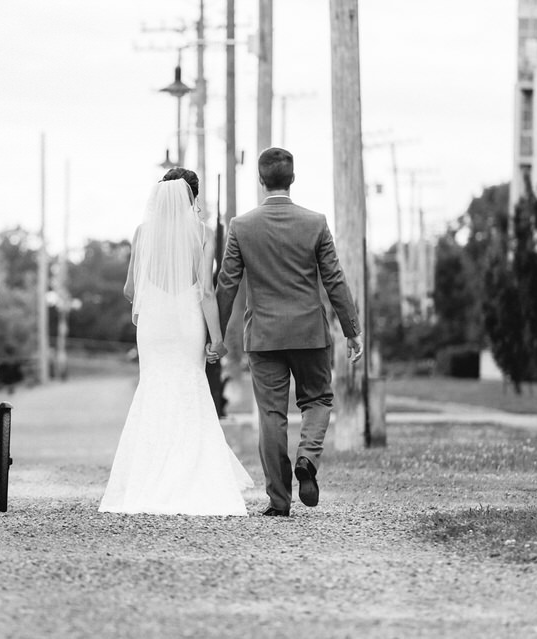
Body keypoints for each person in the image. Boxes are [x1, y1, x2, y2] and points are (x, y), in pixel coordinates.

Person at [216, 147, 363, 517]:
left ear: (261, 180)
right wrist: (352, 329)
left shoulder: (241, 226)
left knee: (271, 415)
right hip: (310, 332)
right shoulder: (315, 223)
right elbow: (334, 279)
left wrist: (213, 334)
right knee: (317, 400)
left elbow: (227, 285)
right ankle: (307, 460)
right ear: (292, 178)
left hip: (263, 337)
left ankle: (279, 501)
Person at [99, 168, 253, 516]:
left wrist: (154, 295)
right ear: (193, 197)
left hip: (153, 325)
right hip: (186, 321)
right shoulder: (200, 233)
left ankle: (146, 479)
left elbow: (129, 291)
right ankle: (190, 476)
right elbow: (206, 291)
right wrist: (217, 339)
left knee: (153, 389)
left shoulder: (142, 233)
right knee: (189, 387)